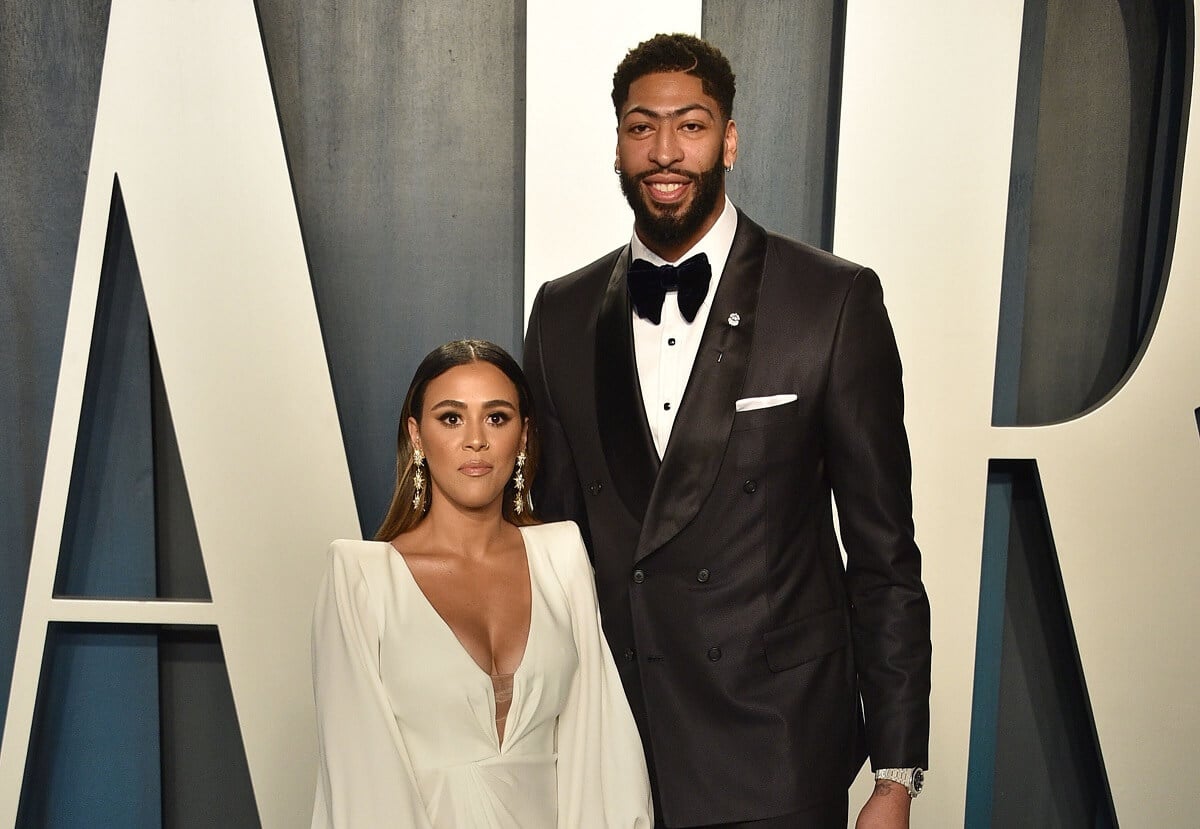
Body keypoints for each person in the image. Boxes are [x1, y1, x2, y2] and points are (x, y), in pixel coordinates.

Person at [523, 34, 931, 829]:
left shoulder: (831, 300)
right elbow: (549, 546)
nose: (666, 151)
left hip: (776, 746)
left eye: (692, 125)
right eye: (642, 128)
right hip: (615, 747)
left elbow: (884, 553)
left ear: (730, 140)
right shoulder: (561, 313)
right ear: (616, 144)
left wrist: (895, 774)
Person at [310, 339, 653, 828]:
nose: (476, 440)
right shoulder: (360, 578)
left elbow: (601, 751)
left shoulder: (561, 557)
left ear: (524, 435)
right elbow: (360, 781)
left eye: (496, 417)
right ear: (417, 435)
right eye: (451, 418)